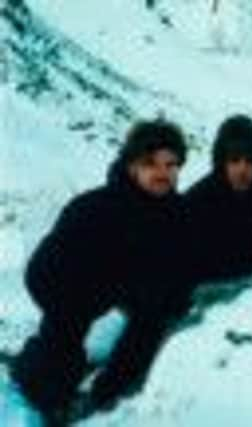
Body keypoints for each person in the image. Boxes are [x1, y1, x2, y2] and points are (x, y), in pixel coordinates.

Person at [11, 119, 193, 421]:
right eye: (151, 164)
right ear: (133, 166)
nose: (163, 173)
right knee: (59, 360)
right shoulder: (98, 208)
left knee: (156, 313)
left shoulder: (175, 209)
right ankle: (37, 387)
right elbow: (51, 268)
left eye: (171, 164)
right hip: (63, 282)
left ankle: (109, 391)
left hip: (121, 283)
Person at [185, 114, 252, 282]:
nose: (242, 169)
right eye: (235, 160)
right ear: (222, 161)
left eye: (250, 160)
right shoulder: (197, 199)